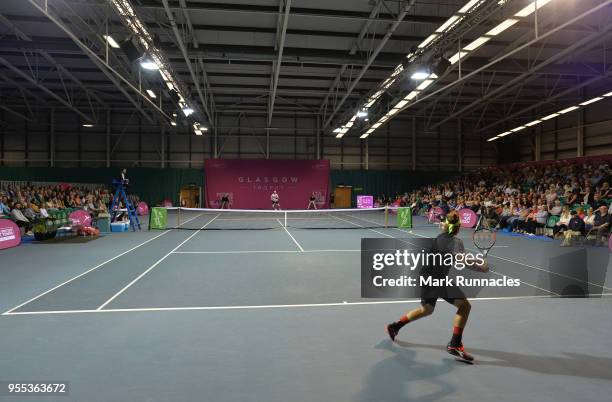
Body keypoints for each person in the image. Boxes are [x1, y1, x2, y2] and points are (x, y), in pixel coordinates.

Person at [385, 211, 488, 361]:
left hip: (426, 277)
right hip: (438, 280)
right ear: (458, 227)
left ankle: (395, 326)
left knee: (426, 309)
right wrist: (481, 266)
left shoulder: (440, 237)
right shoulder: (456, 242)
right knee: (465, 306)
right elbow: (463, 260)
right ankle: (455, 344)